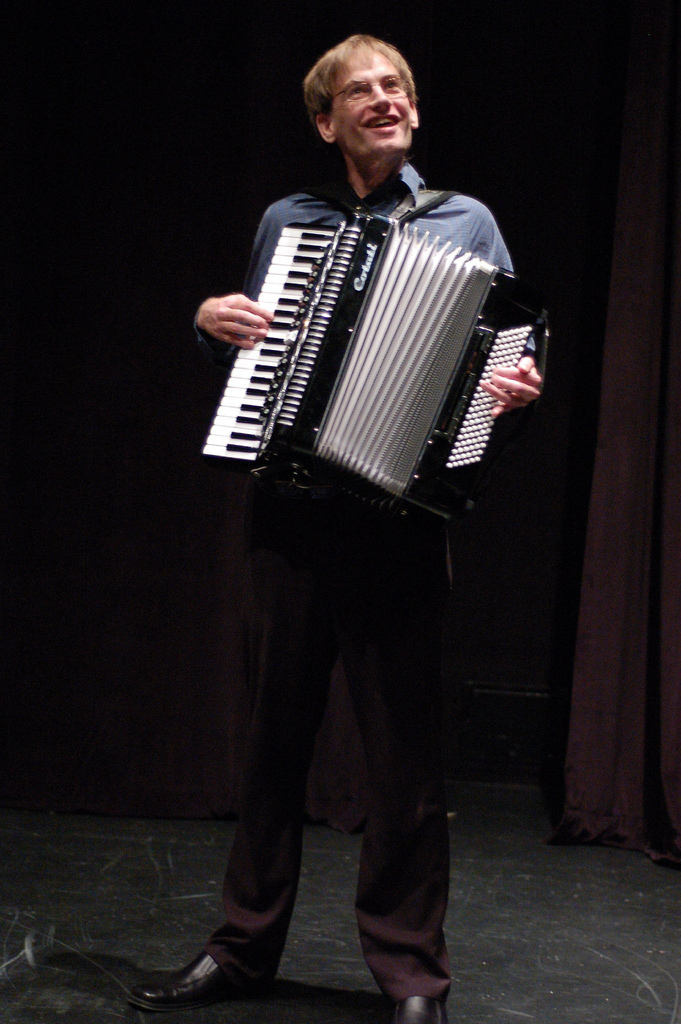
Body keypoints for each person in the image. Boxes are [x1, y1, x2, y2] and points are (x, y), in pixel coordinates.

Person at [128, 34, 542, 1023]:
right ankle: (241, 950)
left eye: (396, 86)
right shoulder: (291, 220)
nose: (384, 99)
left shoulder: (467, 220)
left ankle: (412, 976)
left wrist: (514, 387)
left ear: (415, 108)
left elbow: (506, 348)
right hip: (293, 514)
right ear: (326, 121)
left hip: (400, 522)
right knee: (272, 744)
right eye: (360, 91)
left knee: (404, 761)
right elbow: (252, 343)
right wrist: (210, 321)